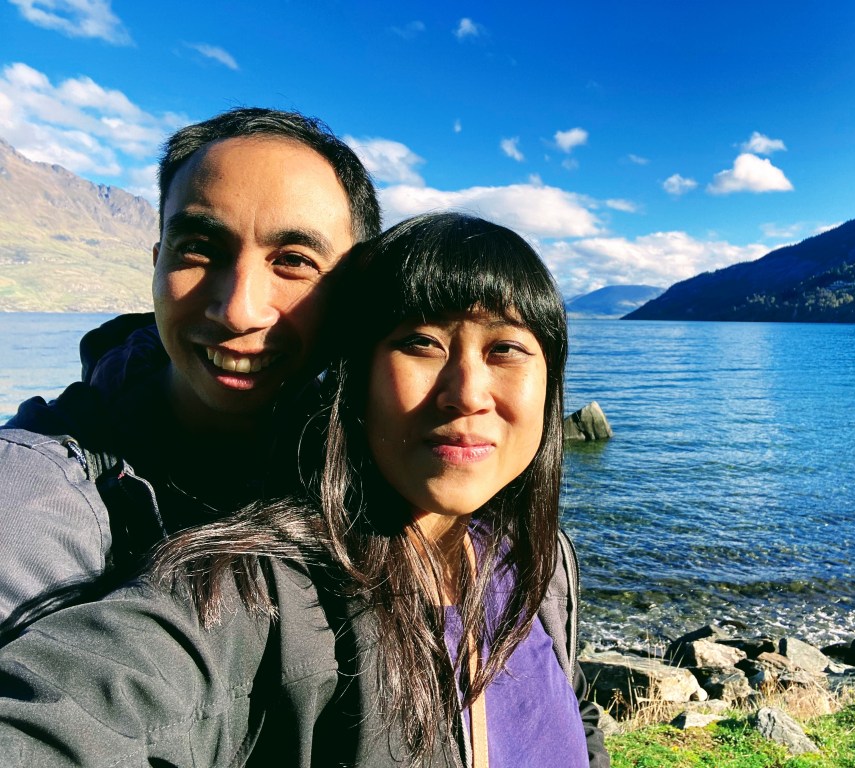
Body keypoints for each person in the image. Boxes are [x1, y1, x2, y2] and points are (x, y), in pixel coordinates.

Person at [0, 213, 609, 768]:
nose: (468, 392)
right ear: (355, 375)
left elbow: (568, 703)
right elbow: (68, 713)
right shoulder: (262, 594)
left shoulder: (538, 557)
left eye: (506, 349)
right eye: (421, 342)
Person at [0, 107, 381, 624]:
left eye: (293, 261)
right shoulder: (38, 488)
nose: (238, 310)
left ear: (351, 295)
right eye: (200, 249)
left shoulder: (387, 461)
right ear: (157, 261)